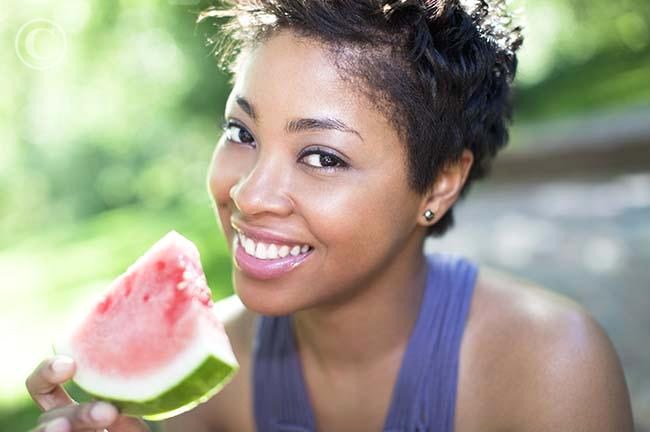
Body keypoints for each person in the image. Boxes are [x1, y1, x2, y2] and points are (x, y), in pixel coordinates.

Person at [26, 0, 634, 431]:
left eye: (322, 155)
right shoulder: (214, 387)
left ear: (442, 182)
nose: (250, 194)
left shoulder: (551, 369)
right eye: (241, 131)